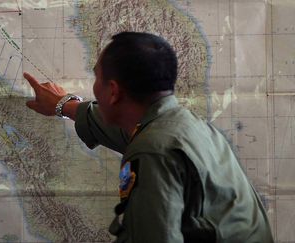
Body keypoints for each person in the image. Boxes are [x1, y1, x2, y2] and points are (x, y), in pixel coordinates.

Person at [23, 32, 274, 242]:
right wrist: (65, 105)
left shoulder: (153, 151)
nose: (94, 87)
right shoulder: (188, 127)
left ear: (112, 91)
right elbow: (123, 130)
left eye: (97, 77)